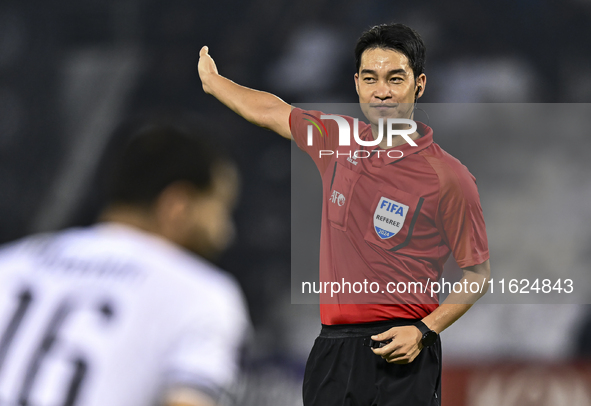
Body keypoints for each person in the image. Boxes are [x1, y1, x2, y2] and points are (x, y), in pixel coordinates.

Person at [198, 23, 490, 406]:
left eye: (394, 79)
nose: (381, 91)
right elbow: (273, 110)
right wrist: (215, 83)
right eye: (370, 78)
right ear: (356, 83)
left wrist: (423, 330)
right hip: (333, 350)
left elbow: (477, 275)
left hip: (404, 351)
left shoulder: (449, 176)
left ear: (419, 85)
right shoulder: (337, 139)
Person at [0, 122, 250, 406]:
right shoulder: (203, 295)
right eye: (219, 209)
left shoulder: (11, 263)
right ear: (176, 205)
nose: (225, 232)